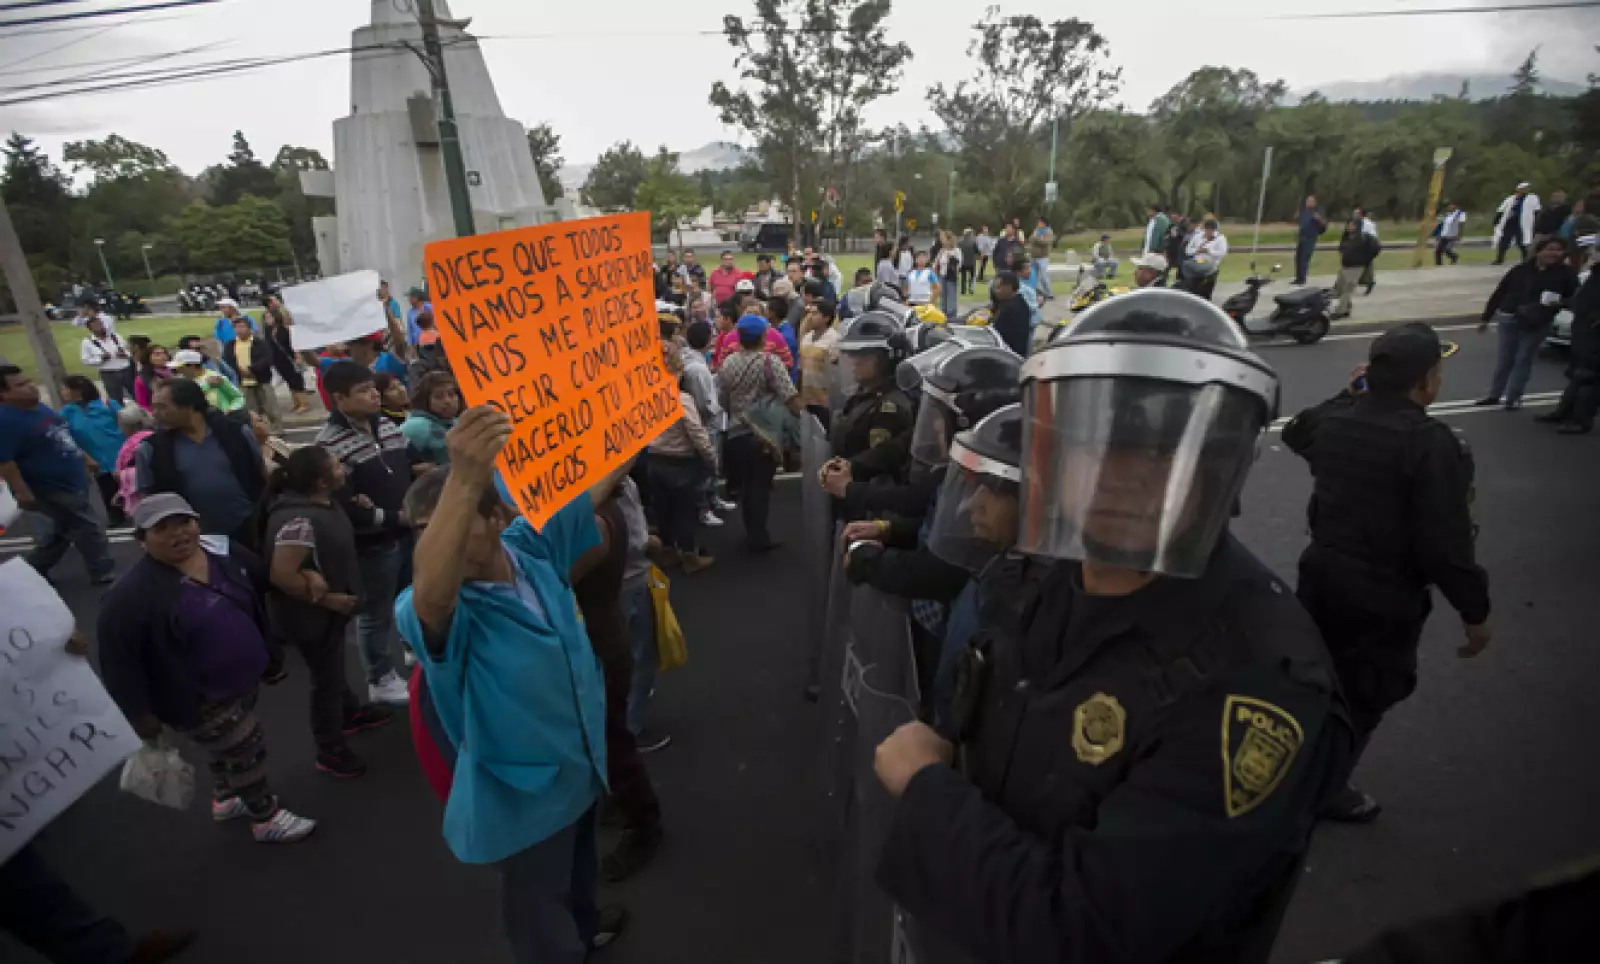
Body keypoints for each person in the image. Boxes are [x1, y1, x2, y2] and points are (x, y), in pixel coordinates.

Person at [873, 290, 1351, 963]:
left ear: (1219, 468)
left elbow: (1089, 934)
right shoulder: (1035, 582)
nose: (1121, 479)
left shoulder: (1258, 682)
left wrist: (927, 790)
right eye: (1097, 448)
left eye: (1164, 453)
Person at [396, 409, 633, 963]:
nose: (434, 544)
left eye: (453, 522)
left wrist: (640, 401)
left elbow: (597, 480)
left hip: (580, 767)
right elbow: (430, 594)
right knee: (538, 913)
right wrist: (464, 479)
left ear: (499, 517)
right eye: (422, 532)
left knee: (579, 874)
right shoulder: (438, 611)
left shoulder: (530, 549)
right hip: (524, 800)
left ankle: (585, 929)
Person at [1283, 322, 1490, 822]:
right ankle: (1325, 789)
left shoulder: (1337, 422)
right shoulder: (1432, 445)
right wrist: (1475, 612)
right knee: (1364, 695)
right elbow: (1446, 544)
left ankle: (1289, 766)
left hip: (1321, 577)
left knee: (1315, 678)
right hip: (1382, 595)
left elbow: (1295, 431)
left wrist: (1348, 393)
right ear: (1425, 382)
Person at [98, 493, 317, 843]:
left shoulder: (223, 553)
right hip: (195, 696)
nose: (179, 533)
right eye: (163, 528)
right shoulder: (128, 597)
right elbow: (118, 663)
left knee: (226, 749)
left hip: (242, 681)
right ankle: (264, 817)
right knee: (246, 746)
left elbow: (265, 577)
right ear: (142, 540)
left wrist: (306, 575)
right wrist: (140, 715)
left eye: (184, 522)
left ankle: (226, 797)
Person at [261, 446, 393, 777]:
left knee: (331, 669)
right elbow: (282, 575)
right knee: (326, 681)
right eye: (336, 467)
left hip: (326, 617)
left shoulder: (323, 503)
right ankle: (329, 748)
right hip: (309, 618)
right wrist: (330, 600)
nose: (342, 470)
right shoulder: (298, 520)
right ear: (320, 482)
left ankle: (348, 712)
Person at [316, 361, 426, 706]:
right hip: (373, 544)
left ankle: (411, 647)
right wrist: (394, 517)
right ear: (339, 399)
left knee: (410, 596)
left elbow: (414, 460)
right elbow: (346, 506)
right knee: (375, 614)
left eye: (373, 388)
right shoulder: (329, 444)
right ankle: (379, 677)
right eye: (363, 390)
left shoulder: (388, 426)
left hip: (406, 533)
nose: (374, 394)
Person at [573, 482, 666, 883]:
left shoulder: (595, 518)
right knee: (600, 736)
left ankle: (644, 823)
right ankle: (616, 797)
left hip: (599, 640)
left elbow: (553, 572)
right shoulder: (595, 506)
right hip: (595, 636)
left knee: (613, 740)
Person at [0, 365, 115, 584]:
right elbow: (4, 460)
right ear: (3, 394)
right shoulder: (5, 421)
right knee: (88, 526)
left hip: (73, 478)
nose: (31, 387)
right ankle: (102, 570)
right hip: (51, 486)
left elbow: (60, 435)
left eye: (28, 381)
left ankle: (34, 568)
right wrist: (21, 490)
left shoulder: (37, 407)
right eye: (21, 385)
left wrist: (86, 459)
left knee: (62, 531)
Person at [136, 377, 263, 545]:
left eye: (162, 407)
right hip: (192, 541)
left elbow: (260, 472)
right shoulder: (151, 449)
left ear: (189, 406)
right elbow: (147, 498)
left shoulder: (237, 433)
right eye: (154, 407)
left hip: (249, 529)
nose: (155, 414)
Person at [717, 314, 801, 549]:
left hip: (736, 433)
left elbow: (722, 398)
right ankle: (758, 538)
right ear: (764, 337)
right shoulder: (770, 362)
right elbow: (789, 396)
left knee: (747, 485)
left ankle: (751, 532)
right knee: (759, 487)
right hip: (764, 435)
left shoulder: (728, 362)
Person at [820, 313, 915, 507]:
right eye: (853, 354)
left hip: (868, 508)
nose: (854, 361)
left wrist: (850, 470)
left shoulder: (890, 408)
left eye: (864, 355)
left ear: (886, 361)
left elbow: (881, 464)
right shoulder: (864, 395)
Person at [1475, 235, 1579, 410]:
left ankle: (1513, 398)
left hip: (1537, 321)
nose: (1554, 253)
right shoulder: (1520, 270)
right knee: (1505, 359)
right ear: (1538, 251)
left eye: (1558, 250)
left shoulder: (1566, 273)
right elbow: (1500, 292)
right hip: (1509, 317)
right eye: (1549, 249)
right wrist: (1486, 317)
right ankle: (1494, 395)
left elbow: (1576, 297)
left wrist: (1560, 302)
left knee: (1523, 359)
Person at [646, 360, 717, 571]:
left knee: (663, 511)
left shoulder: (648, 397)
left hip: (654, 459)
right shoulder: (681, 399)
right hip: (680, 462)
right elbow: (696, 432)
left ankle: (668, 551)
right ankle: (689, 556)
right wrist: (711, 459)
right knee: (684, 512)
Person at [1539, 241, 1600, 434]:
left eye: (1595, 251)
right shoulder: (1595, 274)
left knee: (1589, 378)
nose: (1591, 254)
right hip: (1582, 331)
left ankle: (1581, 420)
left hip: (1594, 335)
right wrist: (1561, 302)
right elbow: (1583, 299)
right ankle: (1564, 412)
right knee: (1576, 374)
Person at [57, 375, 127, 523]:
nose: (62, 392)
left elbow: (127, 424)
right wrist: (85, 458)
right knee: (107, 489)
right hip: (97, 460)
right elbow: (64, 437)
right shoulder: (67, 413)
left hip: (120, 455)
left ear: (77, 390)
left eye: (65, 388)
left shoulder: (108, 405)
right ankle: (116, 516)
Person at [222, 316, 282, 433]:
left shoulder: (260, 343)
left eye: (242, 327)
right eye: (236, 327)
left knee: (270, 407)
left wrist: (252, 370)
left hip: (262, 379)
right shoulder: (230, 345)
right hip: (243, 382)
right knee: (251, 410)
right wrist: (239, 371)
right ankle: (257, 431)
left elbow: (267, 359)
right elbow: (228, 361)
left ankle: (277, 429)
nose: (238, 330)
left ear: (249, 329)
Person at [262, 293, 311, 414]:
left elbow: (294, 343)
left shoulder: (285, 329)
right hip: (278, 360)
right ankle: (296, 402)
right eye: (266, 318)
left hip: (290, 358)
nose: (267, 320)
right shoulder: (268, 330)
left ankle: (304, 403)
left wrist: (298, 356)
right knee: (289, 380)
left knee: (296, 380)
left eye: (269, 317)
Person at [401, 370, 460, 465]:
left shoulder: (457, 422)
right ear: (426, 400)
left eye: (451, 394)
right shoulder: (416, 426)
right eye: (439, 396)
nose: (447, 401)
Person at [799, 298, 841, 428]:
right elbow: (801, 369)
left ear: (826, 318)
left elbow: (837, 374)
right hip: (807, 400)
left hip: (824, 402)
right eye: (809, 313)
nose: (810, 317)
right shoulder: (806, 338)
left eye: (815, 313)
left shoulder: (834, 340)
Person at [79, 314, 136, 404]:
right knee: (115, 398)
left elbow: (129, 350)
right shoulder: (87, 342)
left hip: (126, 370)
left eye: (100, 324)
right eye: (96, 326)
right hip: (108, 373)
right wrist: (100, 359)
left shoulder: (115, 336)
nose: (100, 327)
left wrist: (125, 354)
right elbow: (85, 360)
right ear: (90, 329)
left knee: (136, 393)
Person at [1332, 218, 1382, 320]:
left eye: (1352, 225)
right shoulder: (1346, 237)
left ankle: (1340, 311)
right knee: (1340, 289)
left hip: (1356, 267)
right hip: (1345, 266)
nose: (1350, 227)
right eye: (1349, 225)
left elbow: (1376, 248)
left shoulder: (1364, 238)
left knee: (1347, 289)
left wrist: (1366, 259)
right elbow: (1341, 248)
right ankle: (1347, 308)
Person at [171, 349, 245, 414]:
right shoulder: (182, 382)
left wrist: (231, 409)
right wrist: (206, 386)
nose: (177, 370)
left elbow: (238, 398)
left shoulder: (215, 378)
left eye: (180, 367)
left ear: (192, 365)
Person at [1492, 182, 1541, 264]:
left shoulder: (1532, 198)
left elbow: (1537, 210)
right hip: (1510, 222)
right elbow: (1501, 210)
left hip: (1523, 222)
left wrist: (1536, 222)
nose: (1525, 190)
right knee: (1504, 240)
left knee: (1521, 241)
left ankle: (1526, 258)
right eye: (1523, 188)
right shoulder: (1511, 199)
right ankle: (1500, 258)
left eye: (1526, 188)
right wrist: (1496, 220)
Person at [1182, 218, 1228, 301]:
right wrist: (1196, 251)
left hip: (1210, 265)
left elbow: (1222, 252)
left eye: (1211, 230)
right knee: (1187, 265)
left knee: (1205, 292)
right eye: (1207, 229)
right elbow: (1188, 250)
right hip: (1197, 263)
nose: (1209, 232)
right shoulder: (1197, 236)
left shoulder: (1220, 238)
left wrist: (1208, 251)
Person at [988, 270, 1031, 356]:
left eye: (998, 287)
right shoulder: (1015, 301)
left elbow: (999, 334)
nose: (995, 291)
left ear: (1010, 287)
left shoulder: (1012, 308)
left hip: (1009, 355)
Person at [176, 335, 240, 387]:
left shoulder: (214, 359)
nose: (200, 351)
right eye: (196, 349)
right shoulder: (183, 369)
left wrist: (233, 391)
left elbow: (232, 375)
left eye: (201, 347)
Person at [1294, 194, 1328, 285]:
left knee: (1305, 258)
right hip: (1302, 237)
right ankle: (1298, 278)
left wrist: (1319, 219)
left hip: (1310, 238)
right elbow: (1300, 222)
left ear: (1314, 203)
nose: (1308, 202)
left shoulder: (1318, 212)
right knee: (1298, 257)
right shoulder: (1304, 211)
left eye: (1310, 201)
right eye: (1307, 201)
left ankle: (1302, 279)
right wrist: (1297, 217)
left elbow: (1324, 225)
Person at [1028, 217, 1056, 300]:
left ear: (1044, 224)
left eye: (1040, 223)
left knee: (1044, 276)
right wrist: (1037, 238)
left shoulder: (1048, 232)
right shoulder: (1036, 230)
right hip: (1033, 257)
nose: (1038, 224)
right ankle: (1036, 292)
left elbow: (1045, 242)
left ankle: (1048, 293)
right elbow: (1030, 239)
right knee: (1033, 276)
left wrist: (1036, 238)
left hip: (1042, 257)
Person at [1434, 201, 1467, 266]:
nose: (1448, 208)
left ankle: (1454, 257)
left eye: (1449, 205)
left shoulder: (1460, 213)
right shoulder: (1447, 214)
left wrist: (1460, 235)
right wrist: (1438, 236)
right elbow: (1442, 224)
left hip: (1453, 235)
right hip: (1444, 235)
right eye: (1447, 206)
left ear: (1454, 205)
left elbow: (1461, 224)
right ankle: (1438, 264)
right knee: (1438, 250)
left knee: (1447, 249)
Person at [957, 228, 978, 295]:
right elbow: (977, 252)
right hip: (971, 262)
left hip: (963, 262)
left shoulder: (960, 243)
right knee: (972, 276)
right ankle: (971, 289)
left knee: (963, 277)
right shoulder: (973, 243)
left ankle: (963, 291)